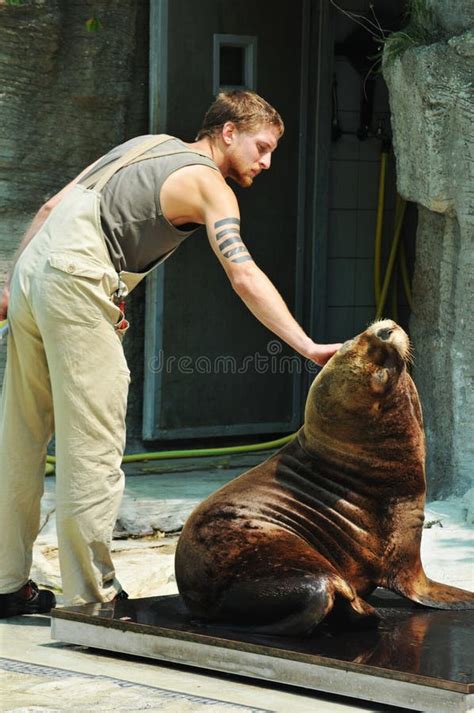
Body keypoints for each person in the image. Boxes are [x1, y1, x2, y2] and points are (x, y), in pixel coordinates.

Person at [0, 90, 341, 617]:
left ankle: (5, 583)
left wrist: (11, 285)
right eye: (262, 146)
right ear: (228, 132)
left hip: (33, 275)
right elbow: (243, 273)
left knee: (18, 438)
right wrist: (307, 345)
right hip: (78, 279)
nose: (267, 162)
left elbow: (52, 207)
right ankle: (92, 599)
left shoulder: (144, 144)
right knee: (93, 447)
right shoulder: (212, 187)